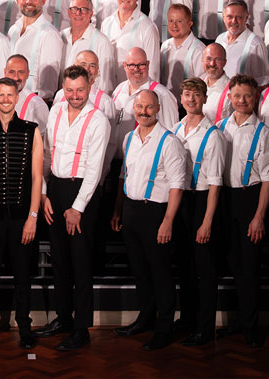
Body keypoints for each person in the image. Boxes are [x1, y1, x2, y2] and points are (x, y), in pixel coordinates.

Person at [35, 65, 111, 350]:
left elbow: (95, 170)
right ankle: (63, 318)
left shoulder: (98, 120)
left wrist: (77, 208)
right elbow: (46, 154)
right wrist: (44, 194)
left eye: (80, 90)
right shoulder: (55, 112)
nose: (75, 95)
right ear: (63, 88)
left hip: (83, 194)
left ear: (89, 87)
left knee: (81, 264)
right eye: (69, 90)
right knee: (59, 261)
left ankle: (81, 329)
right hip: (56, 189)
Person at [112, 89, 186, 350]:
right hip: (132, 210)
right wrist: (118, 210)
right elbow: (125, 174)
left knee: (160, 272)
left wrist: (167, 221)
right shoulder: (130, 137)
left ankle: (164, 328)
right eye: (139, 106)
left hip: (156, 212)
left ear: (157, 109)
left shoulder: (169, 141)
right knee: (140, 271)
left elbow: (178, 185)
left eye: (148, 107)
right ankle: (146, 318)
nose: (143, 111)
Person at [0, 77, 44, 349]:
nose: (5, 99)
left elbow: (37, 178)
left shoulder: (31, 130)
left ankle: (24, 327)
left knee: (23, 274)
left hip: (22, 217)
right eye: (0, 94)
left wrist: (32, 218)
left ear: (17, 97)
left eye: (9, 95)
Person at [217, 74, 269, 347]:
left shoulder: (263, 133)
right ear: (229, 97)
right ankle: (238, 321)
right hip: (224, 200)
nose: (242, 101)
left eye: (248, 96)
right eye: (237, 96)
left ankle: (251, 326)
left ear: (256, 99)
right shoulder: (219, 128)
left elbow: (267, 179)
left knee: (250, 267)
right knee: (232, 264)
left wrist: (259, 216)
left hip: (249, 199)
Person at [170, 78, 226, 346]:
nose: (191, 99)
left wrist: (206, 222)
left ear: (205, 99)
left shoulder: (212, 134)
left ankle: (205, 328)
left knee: (205, 269)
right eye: (187, 94)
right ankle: (188, 318)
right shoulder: (176, 129)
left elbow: (215, 183)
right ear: (181, 98)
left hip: (203, 201)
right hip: (181, 200)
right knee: (185, 266)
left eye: (196, 95)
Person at [112, 47, 180, 153]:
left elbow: (170, 136)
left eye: (141, 65)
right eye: (131, 65)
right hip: (115, 160)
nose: (136, 69)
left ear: (148, 65)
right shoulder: (119, 89)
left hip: (144, 161)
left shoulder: (163, 95)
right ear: (125, 66)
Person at [101, 0, 160, 87]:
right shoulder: (106, 23)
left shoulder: (148, 27)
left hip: (135, 94)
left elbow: (153, 71)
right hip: (109, 90)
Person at [60, 0, 114, 92]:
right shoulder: (61, 36)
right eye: (74, 9)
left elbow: (105, 82)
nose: (78, 13)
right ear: (69, 12)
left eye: (84, 9)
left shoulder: (102, 42)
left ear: (90, 14)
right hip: (61, 98)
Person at [0, 55, 51, 128]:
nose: (16, 77)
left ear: (28, 74)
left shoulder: (37, 105)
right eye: (11, 72)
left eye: (21, 72)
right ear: (5, 72)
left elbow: (42, 138)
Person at [216, 0, 269, 86]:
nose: (234, 21)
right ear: (223, 17)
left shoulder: (256, 45)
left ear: (246, 17)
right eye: (230, 17)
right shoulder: (219, 39)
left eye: (239, 17)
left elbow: (262, 84)